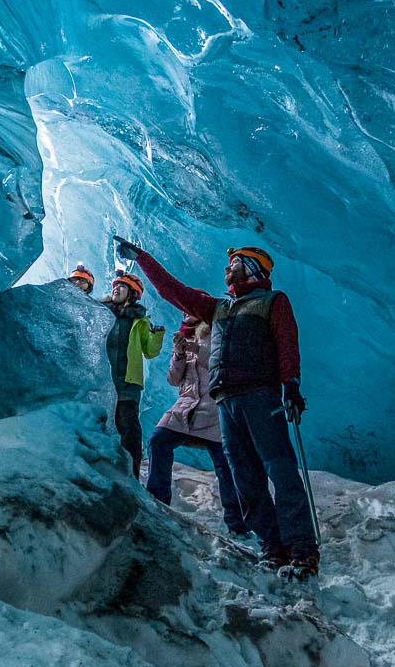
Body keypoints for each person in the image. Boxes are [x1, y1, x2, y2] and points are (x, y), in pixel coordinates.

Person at [115, 237, 317, 579]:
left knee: (280, 471)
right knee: (245, 478)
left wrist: (291, 386)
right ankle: (273, 547)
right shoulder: (218, 309)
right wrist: (142, 258)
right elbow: (173, 291)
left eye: (234, 263)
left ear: (251, 269)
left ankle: (302, 551)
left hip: (260, 397)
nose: (227, 268)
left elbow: (286, 344)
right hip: (227, 403)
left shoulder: (272, 302)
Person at [145, 315, 249, 536]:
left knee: (224, 464)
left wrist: (194, 348)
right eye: (183, 312)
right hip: (184, 408)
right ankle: (157, 502)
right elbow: (173, 379)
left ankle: (237, 523)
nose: (185, 313)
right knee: (157, 441)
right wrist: (179, 354)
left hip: (212, 409)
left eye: (189, 310)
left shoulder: (213, 333)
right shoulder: (183, 339)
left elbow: (221, 362)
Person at [101, 271, 165, 478]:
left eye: (122, 287)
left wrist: (157, 334)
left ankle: (132, 475)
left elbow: (150, 351)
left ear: (132, 294)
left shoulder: (140, 320)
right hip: (104, 380)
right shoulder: (101, 312)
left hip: (128, 381)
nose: (116, 289)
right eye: (115, 286)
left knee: (128, 427)